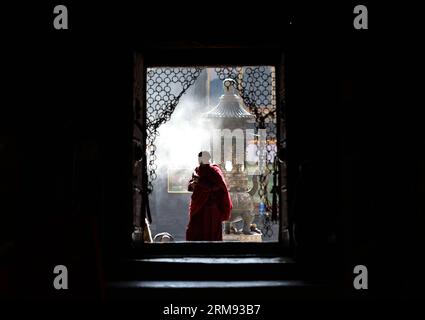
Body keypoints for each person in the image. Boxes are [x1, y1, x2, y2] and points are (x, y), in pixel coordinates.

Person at [186, 151, 232, 241]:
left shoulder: (214, 171)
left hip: (210, 207)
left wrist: (201, 184)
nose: (201, 161)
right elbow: (190, 187)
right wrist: (192, 185)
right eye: (199, 159)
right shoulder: (197, 170)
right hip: (198, 206)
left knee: (211, 231)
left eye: (203, 159)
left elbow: (220, 187)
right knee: (194, 229)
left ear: (208, 159)